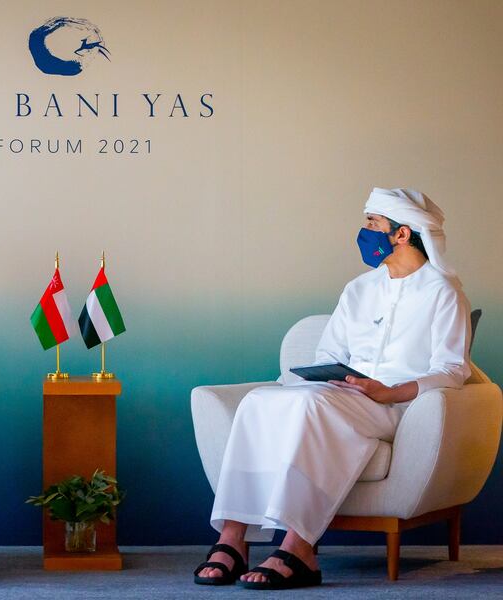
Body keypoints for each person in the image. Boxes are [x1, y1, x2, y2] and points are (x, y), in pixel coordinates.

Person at [193, 187, 471, 590]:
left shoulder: (443, 292)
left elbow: (452, 370)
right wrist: (334, 375)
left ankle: (298, 546)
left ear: (402, 234)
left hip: (396, 407)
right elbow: (329, 351)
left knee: (314, 407)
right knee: (258, 402)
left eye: (372, 223)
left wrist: (389, 392)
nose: (364, 231)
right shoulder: (358, 289)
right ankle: (232, 540)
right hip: (342, 395)